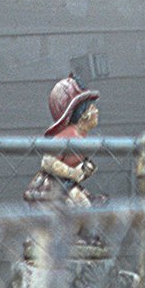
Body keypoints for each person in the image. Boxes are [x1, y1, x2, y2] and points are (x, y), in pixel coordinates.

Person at [24, 75, 106, 208]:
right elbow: (47, 161)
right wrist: (72, 173)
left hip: (67, 184)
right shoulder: (68, 136)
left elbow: (76, 165)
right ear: (83, 115)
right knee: (82, 206)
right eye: (92, 108)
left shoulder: (82, 137)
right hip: (54, 185)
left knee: (85, 206)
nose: (96, 111)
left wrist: (84, 168)